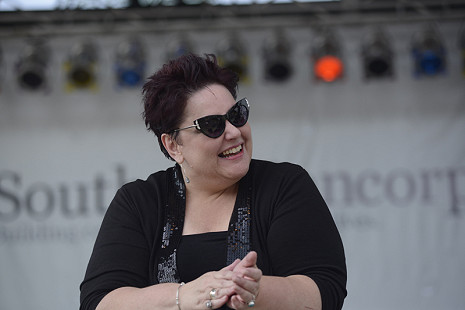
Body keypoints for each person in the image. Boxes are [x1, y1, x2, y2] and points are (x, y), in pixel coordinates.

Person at [80, 53, 347, 310]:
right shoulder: (139, 202)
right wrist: (184, 297)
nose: (233, 132)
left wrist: (254, 291)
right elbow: (99, 302)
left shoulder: (284, 185)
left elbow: (325, 290)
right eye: (212, 125)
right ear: (173, 145)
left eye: (237, 115)